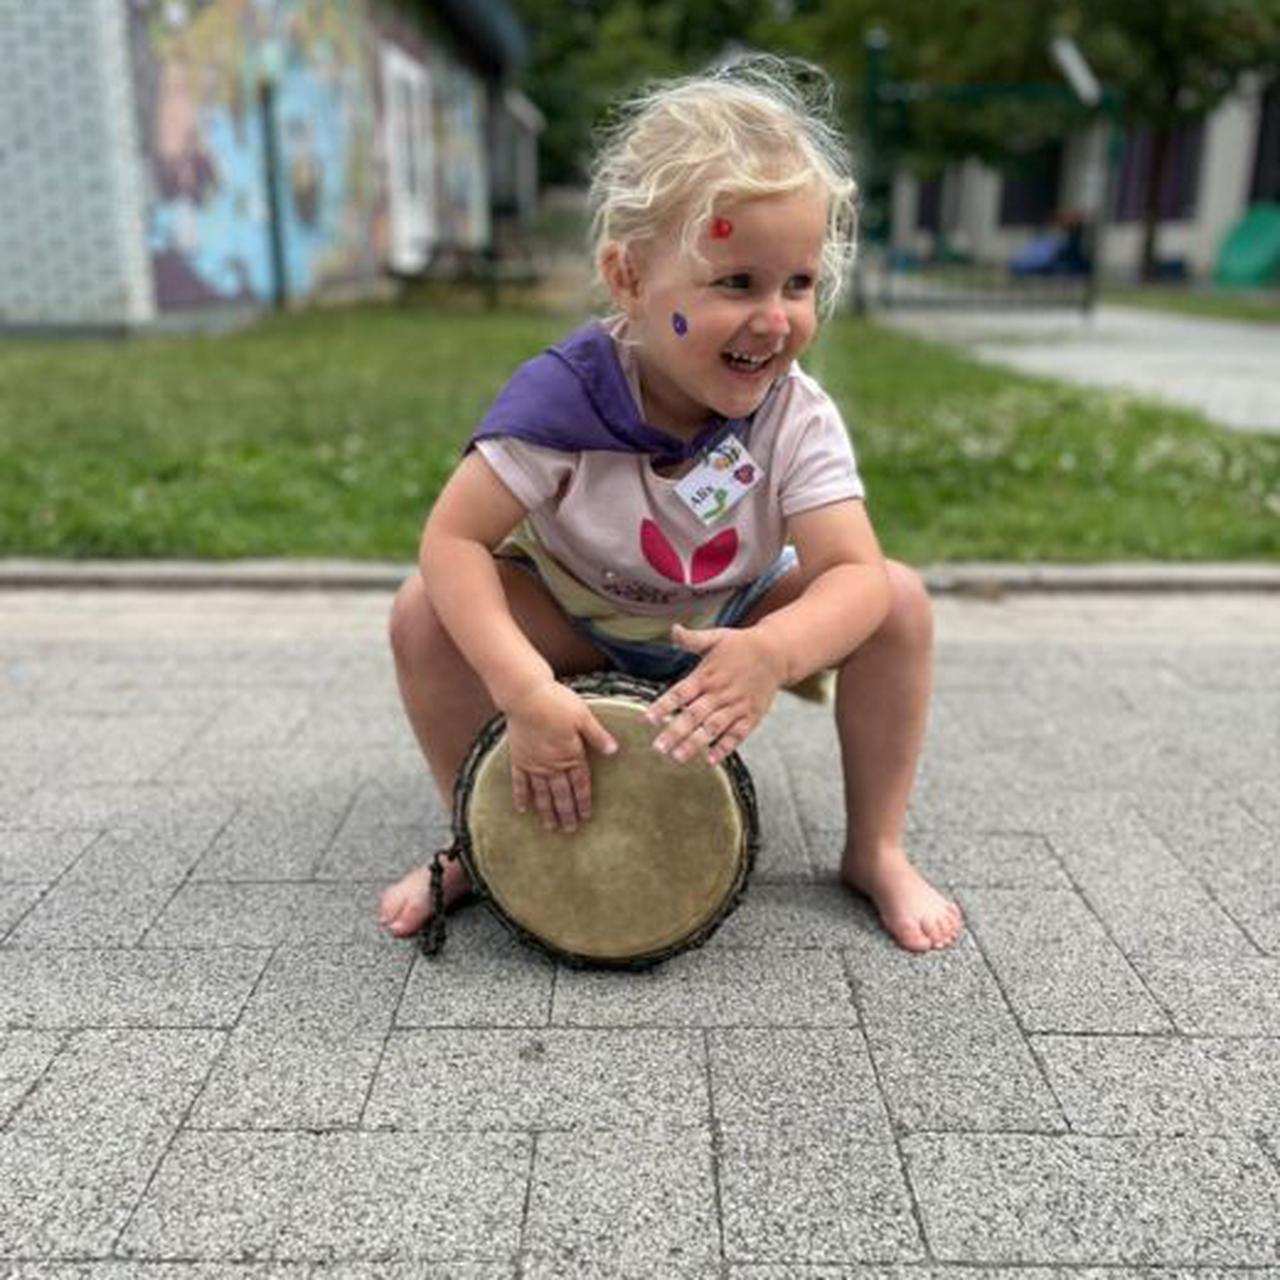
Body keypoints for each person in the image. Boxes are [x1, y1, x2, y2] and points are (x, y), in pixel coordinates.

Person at [378, 56, 963, 953]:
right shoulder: (561, 403)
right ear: (629, 278)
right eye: (737, 283)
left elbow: (851, 573)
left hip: (727, 619)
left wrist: (774, 651)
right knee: (425, 616)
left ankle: (875, 848)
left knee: (900, 602)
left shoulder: (792, 414)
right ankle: (478, 833)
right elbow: (452, 541)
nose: (776, 318)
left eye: (797, 284)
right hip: (574, 617)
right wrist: (524, 689)